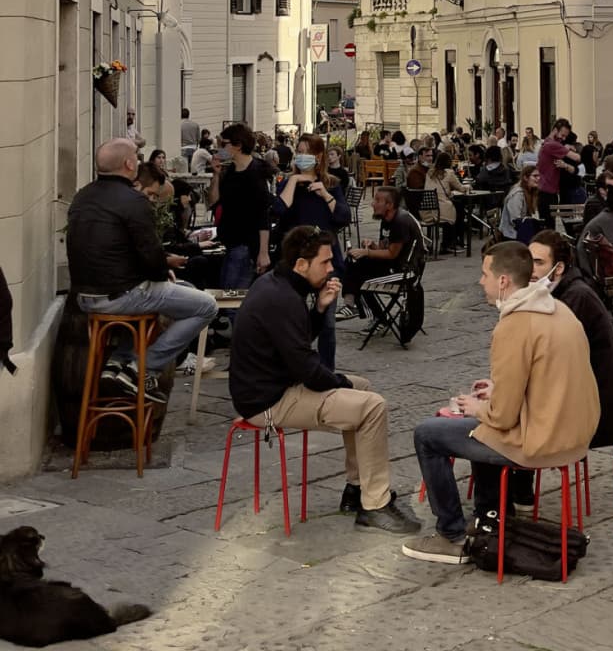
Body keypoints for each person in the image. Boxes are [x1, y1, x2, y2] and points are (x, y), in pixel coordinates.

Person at [405, 241, 599, 564]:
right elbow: (545, 378)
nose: (481, 281)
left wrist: (476, 406)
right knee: (477, 426)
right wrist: (497, 390)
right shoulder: (558, 308)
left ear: (503, 281)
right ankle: (490, 516)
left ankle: (450, 536)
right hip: (576, 434)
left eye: (484, 274)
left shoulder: (514, 325)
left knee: (428, 434)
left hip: (539, 439)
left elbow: (503, 417)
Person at [229, 225, 418, 534]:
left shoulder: (280, 286)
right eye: (325, 262)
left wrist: (318, 309)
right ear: (301, 264)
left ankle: (356, 489)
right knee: (372, 406)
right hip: (269, 400)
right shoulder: (282, 298)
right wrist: (338, 381)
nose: (332, 268)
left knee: (364, 389)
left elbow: (296, 343)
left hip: (276, 387)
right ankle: (375, 505)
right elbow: (308, 370)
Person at [66, 139, 218, 398]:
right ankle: (141, 368)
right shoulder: (133, 201)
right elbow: (149, 257)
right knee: (206, 305)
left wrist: (158, 270)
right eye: (135, 157)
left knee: (175, 292)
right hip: (121, 295)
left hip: (84, 296)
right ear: (128, 164)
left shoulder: (82, 196)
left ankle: (118, 362)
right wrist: (162, 269)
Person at [529, 230, 613, 453]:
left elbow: (551, 354)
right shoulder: (556, 291)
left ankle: (516, 487)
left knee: (505, 427)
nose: (530, 269)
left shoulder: (575, 297)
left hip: (586, 408)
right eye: (528, 261)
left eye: (538, 262)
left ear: (558, 268)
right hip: (571, 394)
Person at [269, 136, 350, 368]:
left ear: (318, 156)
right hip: (297, 262)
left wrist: (325, 194)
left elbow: (343, 217)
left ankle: (326, 369)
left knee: (328, 322)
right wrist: (294, 181)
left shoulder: (331, 184)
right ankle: (295, 365)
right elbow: (278, 210)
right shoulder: (289, 183)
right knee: (293, 318)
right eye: (299, 151)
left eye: (307, 152)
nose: (302, 156)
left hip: (327, 261)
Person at [338, 185, 422, 314]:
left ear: (389, 205)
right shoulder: (386, 218)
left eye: (377, 201)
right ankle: (350, 304)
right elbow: (383, 249)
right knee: (352, 262)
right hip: (391, 265)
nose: (372, 204)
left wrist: (366, 252)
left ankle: (377, 317)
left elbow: (392, 254)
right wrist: (372, 246)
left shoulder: (401, 222)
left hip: (404, 272)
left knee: (361, 279)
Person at [208, 124, 272, 289]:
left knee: (231, 297)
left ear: (238, 145)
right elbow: (215, 202)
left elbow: (262, 215)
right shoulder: (230, 171)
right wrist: (215, 174)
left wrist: (263, 253)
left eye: (224, 144)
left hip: (246, 244)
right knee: (226, 293)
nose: (220, 149)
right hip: (230, 240)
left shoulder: (255, 173)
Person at [537, 119, 582, 220]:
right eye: (562, 135)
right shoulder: (552, 145)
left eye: (565, 136)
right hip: (547, 192)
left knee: (548, 224)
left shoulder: (547, 142)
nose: (563, 138)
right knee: (548, 226)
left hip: (545, 189)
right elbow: (577, 157)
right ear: (555, 130)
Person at [426, 150, 467, 252]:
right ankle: (452, 242)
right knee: (459, 209)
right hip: (441, 209)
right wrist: (469, 187)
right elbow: (461, 188)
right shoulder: (449, 173)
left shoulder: (429, 173)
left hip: (427, 209)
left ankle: (451, 242)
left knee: (456, 206)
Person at [500, 165, 544, 242]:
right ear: (525, 178)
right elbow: (514, 220)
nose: (538, 178)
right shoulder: (517, 194)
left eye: (539, 176)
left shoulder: (530, 192)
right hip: (511, 235)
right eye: (535, 176)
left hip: (521, 231)